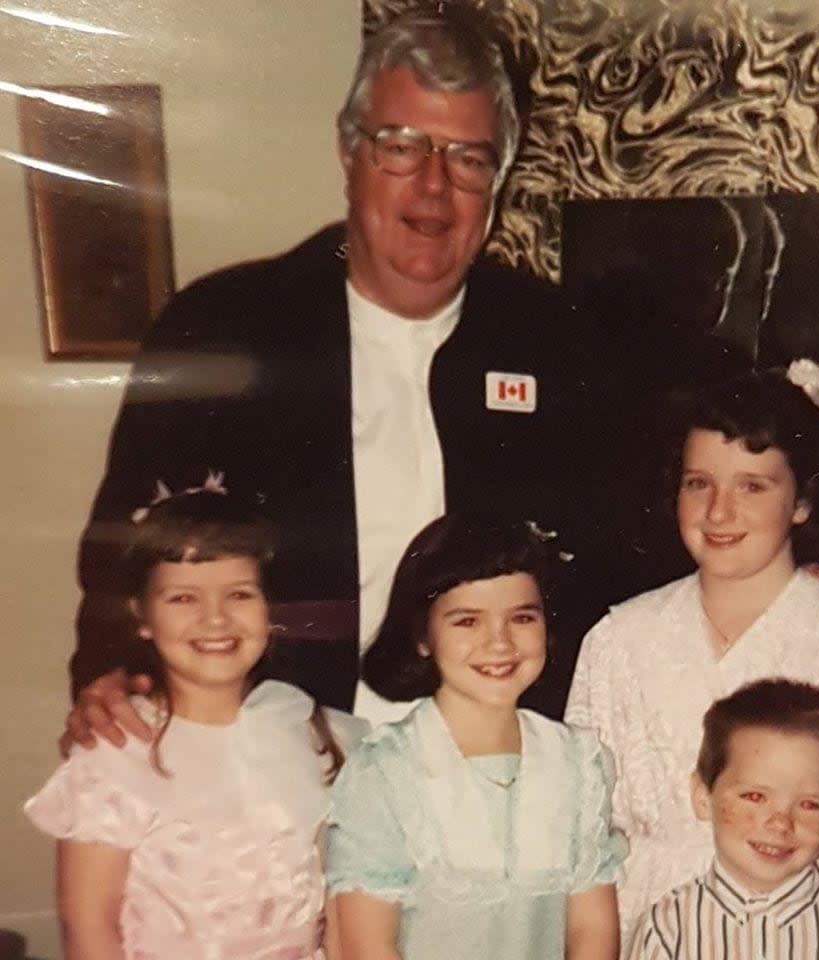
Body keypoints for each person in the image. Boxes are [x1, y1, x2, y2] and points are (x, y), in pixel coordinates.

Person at [66, 6, 618, 742]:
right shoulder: (222, 329)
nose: (432, 186)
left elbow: (652, 530)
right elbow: (126, 548)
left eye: (468, 158)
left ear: (499, 180)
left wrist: (810, 565)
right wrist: (108, 670)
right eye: (401, 147)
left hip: (488, 763)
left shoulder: (560, 345)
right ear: (348, 150)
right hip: (273, 756)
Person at [565, 364, 819, 954]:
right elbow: (583, 837)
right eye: (698, 483)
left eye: (752, 486)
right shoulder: (618, 639)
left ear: (803, 501)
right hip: (645, 931)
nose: (718, 512)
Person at [26, 487, 369, 960]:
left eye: (240, 595)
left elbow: (338, 914)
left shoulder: (311, 733)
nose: (215, 618)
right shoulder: (116, 752)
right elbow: (89, 926)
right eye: (184, 598)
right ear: (141, 616)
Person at [325, 514, 625, 960]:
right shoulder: (387, 771)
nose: (499, 643)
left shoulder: (577, 763)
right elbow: (367, 947)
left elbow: (591, 932)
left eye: (522, 618)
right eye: (467, 622)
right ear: (423, 636)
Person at [630, 679, 819, 960]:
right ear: (704, 797)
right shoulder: (669, 930)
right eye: (755, 797)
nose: (780, 823)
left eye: (808, 804)